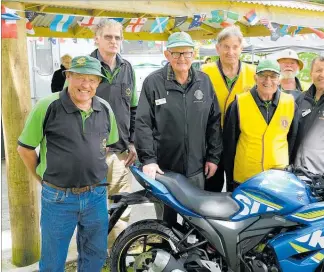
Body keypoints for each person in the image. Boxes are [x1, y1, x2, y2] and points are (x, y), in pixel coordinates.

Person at [17, 56, 119, 271]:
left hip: (96, 196)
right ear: (68, 77)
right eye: (80, 78)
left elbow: (107, 146)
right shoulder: (47, 106)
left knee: (95, 255)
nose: (86, 85)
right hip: (58, 197)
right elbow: (24, 148)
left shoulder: (105, 108)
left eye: (92, 80)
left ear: (98, 83)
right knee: (53, 261)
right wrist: (41, 178)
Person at [136, 32, 222, 226]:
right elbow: (143, 123)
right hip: (163, 170)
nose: (181, 58)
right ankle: (167, 255)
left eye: (186, 53)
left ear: (194, 54)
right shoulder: (153, 82)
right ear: (167, 55)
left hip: (196, 169)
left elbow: (214, 122)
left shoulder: (204, 81)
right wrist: (148, 159)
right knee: (166, 223)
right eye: (176, 53)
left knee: (195, 223)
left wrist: (213, 157)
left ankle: (192, 256)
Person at [90, 19, 138, 245]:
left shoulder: (127, 68)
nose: (113, 41)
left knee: (120, 206)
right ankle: (93, 252)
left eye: (117, 37)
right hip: (91, 153)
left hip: (120, 153)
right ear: (96, 39)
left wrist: (132, 142)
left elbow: (134, 109)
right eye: (108, 36)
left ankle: (116, 250)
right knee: (92, 206)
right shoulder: (86, 67)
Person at [224, 60, 298, 190]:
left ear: (279, 79)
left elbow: (293, 141)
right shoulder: (239, 103)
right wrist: (230, 178)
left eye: (273, 76)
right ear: (255, 78)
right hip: (245, 178)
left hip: (278, 178)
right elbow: (229, 144)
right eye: (263, 75)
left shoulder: (290, 104)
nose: (268, 81)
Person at [201, 25, 256, 192]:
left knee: (237, 187)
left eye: (235, 47)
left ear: (241, 49)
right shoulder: (204, 72)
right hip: (211, 141)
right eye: (225, 46)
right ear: (218, 48)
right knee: (211, 187)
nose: (230, 52)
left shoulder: (253, 73)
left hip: (240, 141)